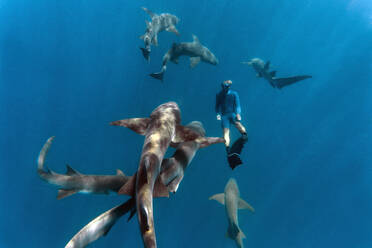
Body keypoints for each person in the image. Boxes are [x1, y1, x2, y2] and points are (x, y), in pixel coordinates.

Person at [215, 80, 248, 168]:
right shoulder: (219, 95)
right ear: (223, 87)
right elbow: (217, 106)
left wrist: (238, 113)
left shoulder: (234, 94)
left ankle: (244, 135)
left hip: (232, 114)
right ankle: (228, 148)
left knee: (238, 124)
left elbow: (238, 105)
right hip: (224, 116)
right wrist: (218, 114)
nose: (227, 88)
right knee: (226, 132)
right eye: (226, 86)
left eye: (228, 86)